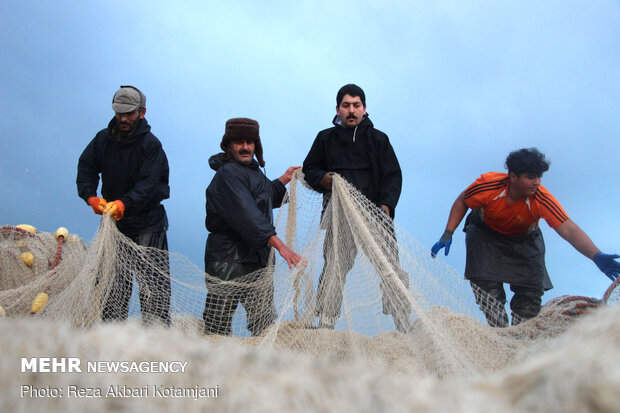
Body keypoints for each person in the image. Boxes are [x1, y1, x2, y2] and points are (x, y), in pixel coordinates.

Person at [431, 148, 620, 327]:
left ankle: (519, 342)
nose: (537, 182)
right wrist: (448, 233)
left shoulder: (541, 199)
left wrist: (596, 256)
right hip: (485, 238)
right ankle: (500, 338)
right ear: (513, 176)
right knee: (491, 301)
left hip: (525, 242)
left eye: (539, 177)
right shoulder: (488, 185)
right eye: (531, 177)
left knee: (528, 305)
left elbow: (568, 229)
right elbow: (463, 200)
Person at [302, 84, 410, 332]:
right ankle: (326, 323)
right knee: (333, 270)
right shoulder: (325, 138)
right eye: (346, 105)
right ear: (338, 109)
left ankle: (403, 322)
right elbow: (310, 169)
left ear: (364, 108)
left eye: (356, 105)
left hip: (375, 217)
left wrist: (386, 205)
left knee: (391, 270)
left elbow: (393, 176)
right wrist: (325, 179)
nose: (351, 110)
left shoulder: (378, 139)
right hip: (339, 218)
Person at [77, 85, 171, 325]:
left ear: (142, 112)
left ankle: (156, 343)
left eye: (129, 113)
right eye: (119, 112)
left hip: (148, 225)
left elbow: (150, 186)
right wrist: (90, 197)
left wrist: (124, 203)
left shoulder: (151, 146)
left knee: (154, 291)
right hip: (113, 226)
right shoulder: (102, 140)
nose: (123, 118)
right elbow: (86, 168)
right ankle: (112, 339)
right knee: (112, 288)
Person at [203, 117, 302, 336]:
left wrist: (284, 179)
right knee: (217, 326)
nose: (246, 147)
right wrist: (281, 246)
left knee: (264, 325)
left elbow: (263, 198)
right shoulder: (227, 174)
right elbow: (247, 215)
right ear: (228, 145)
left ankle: (260, 369)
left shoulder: (254, 172)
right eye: (239, 142)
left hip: (258, 260)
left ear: (257, 145)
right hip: (227, 260)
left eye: (250, 142)